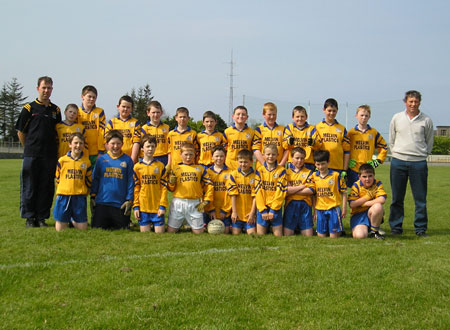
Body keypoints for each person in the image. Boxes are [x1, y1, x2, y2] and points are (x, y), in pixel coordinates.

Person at [15, 76, 61, 227]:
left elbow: (58, 132)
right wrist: (28, 147)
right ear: (38, 89)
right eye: (44, 88)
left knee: (46, 187)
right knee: (30, 186)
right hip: (32, 155)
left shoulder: (56, 110)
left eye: (49, 88)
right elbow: (21, 131)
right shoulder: (29, 108)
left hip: (49, 155)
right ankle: (30, 218)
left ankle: (41, 218)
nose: (46, 91)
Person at [389, 90, 434, 237]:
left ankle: (420, 229)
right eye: (410, 102)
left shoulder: (426, 120)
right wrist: (398, 153)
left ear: (419, 102)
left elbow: (429, 142)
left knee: (420, 199)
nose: (413, 104)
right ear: (405, 102)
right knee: (397, 198)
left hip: (418, 163)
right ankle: (396, 227)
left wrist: (421, 155)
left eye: (416, 102)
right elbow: (392, 139)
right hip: (398, 162)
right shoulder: (396, 118)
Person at [90, 130, 134, 230]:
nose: (115, 146)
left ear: (122, 144)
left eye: (118, 143)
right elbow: (95, 179)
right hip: (102, 202)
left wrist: (129, 199)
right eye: (112, 143)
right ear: (106, 144)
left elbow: (131, 182)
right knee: (97, 228)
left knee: (123, 229)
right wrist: (93, 196)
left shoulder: (127, 160)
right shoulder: (101, 160)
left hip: (120, 204)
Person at [166, 142, 214, 234]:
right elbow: (170, 189)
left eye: (191, 154)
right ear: (180, 155)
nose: (188, 157)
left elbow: (209, 185)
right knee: (171, 231)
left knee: (199, 232)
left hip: (195, 203)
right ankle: (183, 221)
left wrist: (206, 200)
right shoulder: (176, 168)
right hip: (178, 202)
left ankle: (187, 221)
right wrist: (171, 183)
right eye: (186, 155)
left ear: (195, 154)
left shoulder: (200, 169)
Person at [304, 150, 347, 238]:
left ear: (328, 162)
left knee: (333, 237)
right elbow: (313, 195)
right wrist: (315, 211)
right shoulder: (313, 176)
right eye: (318, 164)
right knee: (321, 236)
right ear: (315, 164)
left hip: (333, 208)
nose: (321, 167)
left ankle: (337, 230)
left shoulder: (336, 175)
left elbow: (344, 192)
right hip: (320, 209)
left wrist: (344, 208)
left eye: (323, 164)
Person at [53, 133, 91, 231]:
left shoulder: (86, 162)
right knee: (60, 230)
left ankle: (72, 219)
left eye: (81, 143)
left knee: (83, 229)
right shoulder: (62, 160)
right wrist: (61, 190)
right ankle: (66, 218)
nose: (78, 146)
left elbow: (88, 180)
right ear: (70, 144)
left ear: (83, 145)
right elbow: (58, 178)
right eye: (76, 143)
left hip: (79, 197)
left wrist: (86, 193)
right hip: (64, 196)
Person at [133, 134, 168, 233]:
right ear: (142, 148)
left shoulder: (160, 166)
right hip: (143, 207)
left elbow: (164, 188)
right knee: (145, 236)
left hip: (157, 207)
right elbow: (136, 188)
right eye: (148, 146)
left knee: (159, 234)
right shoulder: (137, 167)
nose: (150, 149)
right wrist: (136, 206)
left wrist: (162, 206)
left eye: (153, 146)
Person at [347, 105, 388, 188]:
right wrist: (347, 162)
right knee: (353, 194)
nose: (364, 118)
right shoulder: (351, 133)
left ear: (369, 117)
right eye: (361, 115)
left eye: (366, 116)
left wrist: (378, 160)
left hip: (367, 169)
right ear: (356, 116)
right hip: (353, 169)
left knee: (367, 193)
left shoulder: (373, 132)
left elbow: (384, 146)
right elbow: (344, 148)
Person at [255, 144, 287, 237]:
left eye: (273, 154)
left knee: (278, 236)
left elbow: (280, 192)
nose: (270, 157)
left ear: (277, 155)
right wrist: (262, 209)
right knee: (260, 236)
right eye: (268, 154)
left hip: (275, 207)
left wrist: (273, 210)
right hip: (263, 207)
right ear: (263, 155)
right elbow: (258, 191)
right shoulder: (259, 170)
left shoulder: (281, 171)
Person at [348, 164, 387, 240]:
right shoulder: (356, 185)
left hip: (371, 212)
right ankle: (367, 229)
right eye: (364, 176)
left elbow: (382, 199)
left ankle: (374, 232)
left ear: (374, 175)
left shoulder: (377, 183)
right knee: (360, 236)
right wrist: (367, 197)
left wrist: (364, 204)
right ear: (359, 177)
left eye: (370, 176)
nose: (367, 179)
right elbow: (352, 204)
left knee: (378, 206)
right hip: (358, 214)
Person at [315, 98, 350, 177]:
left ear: (337, 111)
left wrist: (345, 169)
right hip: (321, 167)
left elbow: (347, 151)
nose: (331, 113)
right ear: (324, 110)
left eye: (334, 111)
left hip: (337, 167)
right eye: (329, 110)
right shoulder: (317, 127)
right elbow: (314, 149)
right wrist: (316, 165)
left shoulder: (342, 129)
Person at [283, 147, 314, 236]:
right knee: (287, 234)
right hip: (290, 204)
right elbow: (286, 190)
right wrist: (302, 186)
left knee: (308, 235)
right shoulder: (286, 172)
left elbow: (310, 190)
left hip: (305, 204)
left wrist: (293, 189)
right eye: (297, 158)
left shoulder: (309, 172)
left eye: (302, 158)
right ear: (291, 158)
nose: (299, 161)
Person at [228, 149, 257, 235]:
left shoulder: (255, 176)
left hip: (249, 214)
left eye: (245, 162)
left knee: (252, 234)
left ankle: (248, 226)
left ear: (251, 161)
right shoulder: (233, 175)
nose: (243, 164)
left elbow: (255, 196)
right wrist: (234, 212)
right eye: (240, 162)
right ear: (237, 161)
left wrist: (252, 213)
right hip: (238, 214)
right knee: (235, 234)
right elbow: (233, 195)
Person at [282, 106, 321, 170]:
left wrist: (313, 143)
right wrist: (289, 142)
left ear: (306, 117)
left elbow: (319, 145)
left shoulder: (311, 129)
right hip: (293, 162)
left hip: (308, 162)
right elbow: (284, 145)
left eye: (302, 116)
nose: (300, 119)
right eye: (297, 117)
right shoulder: (289, 128)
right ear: (293, 118)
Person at [105, 95, 141, 163]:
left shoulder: (135, 123)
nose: (125, 109)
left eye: (128, 107)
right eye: (123, 106)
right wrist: (112, 156)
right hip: (114, 159)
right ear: (118, 107)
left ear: (132, 109)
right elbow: (106, 141)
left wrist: (131, 161)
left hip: (129, 159)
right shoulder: (112, 122)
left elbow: (136, 143)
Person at [205, 145, 232, 233]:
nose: (219, 158)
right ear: (212, 157)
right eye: (216, 156)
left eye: (221, 156)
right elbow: (206, 193)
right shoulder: (207, 172)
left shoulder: (231, 172)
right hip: (211, 211)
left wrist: (225, 210)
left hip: (225, 210)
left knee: (226, 232)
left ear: (225, 157)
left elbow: (231, 194)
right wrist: (210, 209)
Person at [252, 102, 288, 169]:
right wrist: (264, 164)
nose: (272, 117)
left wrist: (281, 164)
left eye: (274, 114)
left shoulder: (283, 129)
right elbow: (256, 149)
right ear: (264, 114)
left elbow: (287, 149)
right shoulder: (259, 129)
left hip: (278, 167)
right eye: (269, 114)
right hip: (262, 168)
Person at [77, 85, 105, 167]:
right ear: (82, 97)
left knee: (95, 178)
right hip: (80, 151)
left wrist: (101, 151)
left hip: (95, 153)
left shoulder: (100, 112)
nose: (92, 99)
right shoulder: (77, 112)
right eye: (89, 96)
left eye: (94, 97)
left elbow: (101, 132)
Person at [224, 106, 255, 170]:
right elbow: (224, 149)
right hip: (230, 166)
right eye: (238, 114)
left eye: (243, 114)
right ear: (233, 116)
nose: (240, 116)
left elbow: (253, 149)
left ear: (247, 117)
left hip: (246, 166)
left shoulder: (252, 132)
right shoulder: (227, 131)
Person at [140, 100, 170, 165]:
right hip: (149, 157)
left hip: (164, 157)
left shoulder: (167, 128)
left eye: (158, 112)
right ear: (148, 113)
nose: (156, 115)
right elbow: (141, 145)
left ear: (161, 113)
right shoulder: (144, 128)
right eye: (153, 112)